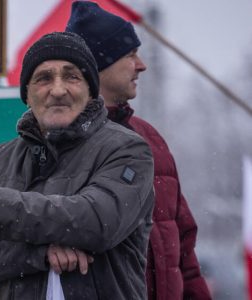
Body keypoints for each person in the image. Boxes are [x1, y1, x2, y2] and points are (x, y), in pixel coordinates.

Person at [0, 31, 155, 299]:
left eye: (72, 76)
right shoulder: (2, 158)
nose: (58, 90)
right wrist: (39, 253)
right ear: (27, 95)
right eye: (43, 78)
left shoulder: (127, 149)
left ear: (90, 90)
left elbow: (99, 222)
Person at [65, 2, 211, 299]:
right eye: (129, 54)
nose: (141, 64)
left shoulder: (150, 138)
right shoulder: (57, 145)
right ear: (98, 65)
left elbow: (183, 251)